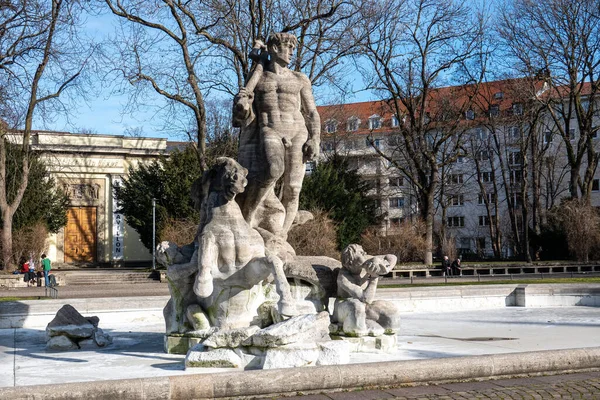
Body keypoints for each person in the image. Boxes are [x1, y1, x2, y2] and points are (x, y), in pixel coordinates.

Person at [233, 32, 320, 240]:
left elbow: (311, 112)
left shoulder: (300, 79)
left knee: (293, 188)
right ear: (273, 48)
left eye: (292, 47)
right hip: (270, 128)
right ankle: (248, 216)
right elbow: (244, 103)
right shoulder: (259, 76)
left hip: (298, 132)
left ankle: (281, 235)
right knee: (273, 170)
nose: (291, 51)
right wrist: (242, 107)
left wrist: (315, 138)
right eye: (287, 46)